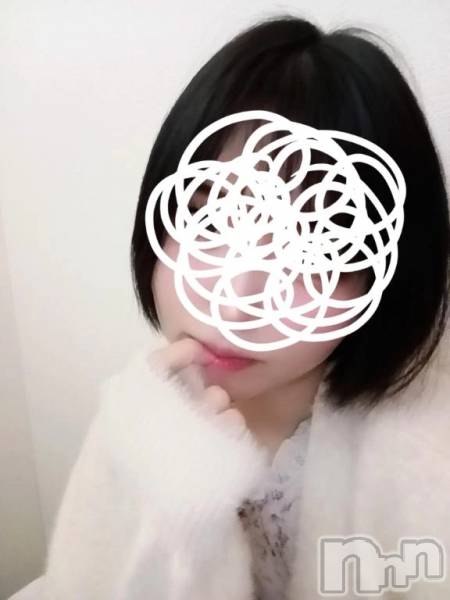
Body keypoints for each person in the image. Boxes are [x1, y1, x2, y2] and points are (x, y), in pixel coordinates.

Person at [10, 14, 449, 600]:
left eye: (316, 245)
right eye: (211, 217)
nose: (237, 304)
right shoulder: (134, 423)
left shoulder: (428, 452)